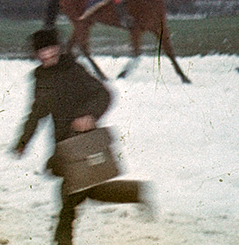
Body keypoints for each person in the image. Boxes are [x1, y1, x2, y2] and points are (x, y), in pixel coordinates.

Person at [14, 28, 153, 245]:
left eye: (51, 49)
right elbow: (36, 113)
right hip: (62, 144)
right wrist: (23, 141)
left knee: (71, 196)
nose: (47, 54)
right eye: (42, 51)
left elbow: (104, 94)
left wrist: (89, 115)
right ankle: (135, 192)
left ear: (58, 48)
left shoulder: (73, 70)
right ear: (36, 54)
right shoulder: (41, 79)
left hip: (82, 143)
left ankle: (62, 242)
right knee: (87, 192)